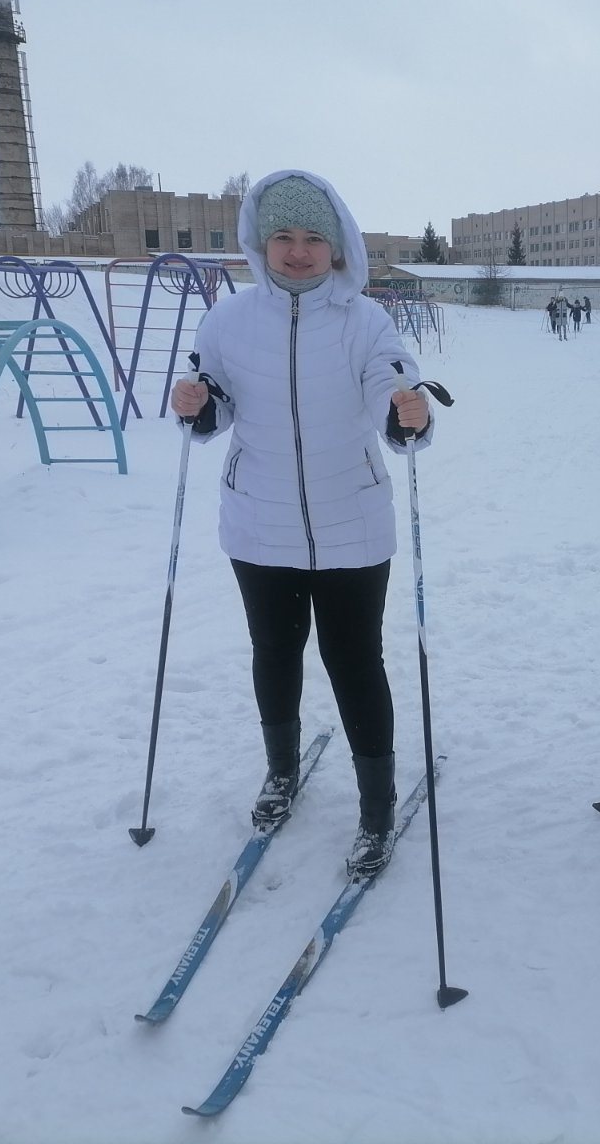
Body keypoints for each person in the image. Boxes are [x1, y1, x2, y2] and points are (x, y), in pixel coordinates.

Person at [169, 169, 433, 880]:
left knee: (354, 662)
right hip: (260, 525)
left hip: (352, 524)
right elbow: (215, 406)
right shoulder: (228, 320)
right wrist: (195, 402)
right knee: (275, 652)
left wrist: (405, 413)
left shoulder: (365, 321)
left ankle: (375, 804)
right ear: (260, 242)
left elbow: (392, 389)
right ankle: (280, 772)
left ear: (338, 246)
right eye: (282, 236)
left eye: (312, 238)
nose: (296, 252)